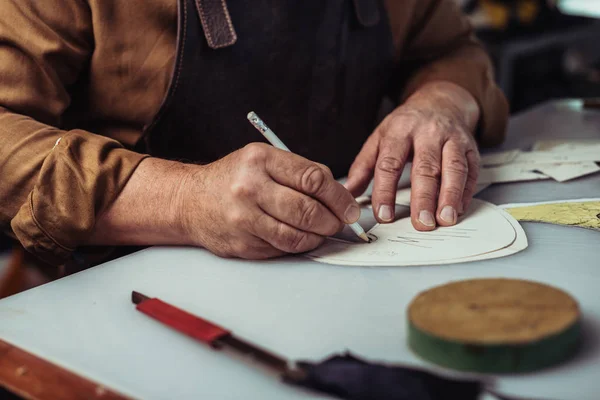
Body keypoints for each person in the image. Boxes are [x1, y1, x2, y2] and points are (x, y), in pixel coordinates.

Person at [0, 0, 508, 268]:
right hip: (139, 292)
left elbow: (452, 51)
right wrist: (183, 200)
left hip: (344, 262)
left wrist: (441, 103)